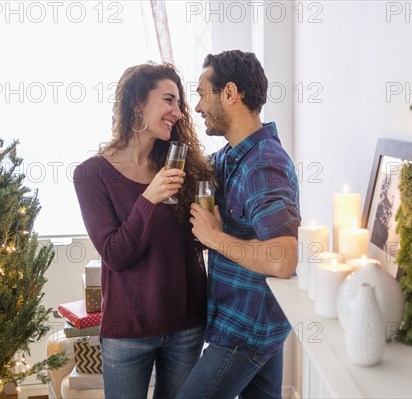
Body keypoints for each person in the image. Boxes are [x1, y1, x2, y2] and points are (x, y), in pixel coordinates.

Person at [73, 62, 212, 399]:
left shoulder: (181, 166)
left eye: (179, 103)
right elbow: (116, 255)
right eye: (169, 100)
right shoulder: (91, 175)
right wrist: (149, 197)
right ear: (137, 103)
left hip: (186, 325)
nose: (178, 112)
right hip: (127, 333)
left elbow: (197, 239)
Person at [174, 50, 301, 399]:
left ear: (230, 94)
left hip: (248, 328)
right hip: (255, 322)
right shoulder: (232, 156)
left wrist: (215, 238)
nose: (198, 106)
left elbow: (283, 258)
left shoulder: (262, 165)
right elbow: (193, 165)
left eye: (202, 93)